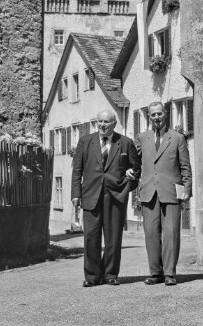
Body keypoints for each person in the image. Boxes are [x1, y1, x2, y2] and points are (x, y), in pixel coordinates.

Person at [72, 109, 141, 287]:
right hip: (91, 196)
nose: (102, 125)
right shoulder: (85, 142)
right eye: (100, 121)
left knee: (113, 238)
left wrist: (128, 184)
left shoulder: (125, 143)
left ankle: (110, 274)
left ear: (114, 124)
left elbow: (137, 169)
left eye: (106, 122)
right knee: (91, 238)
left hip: (115, 196)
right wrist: (75, 194)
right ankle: (92, 276)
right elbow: (77, 171)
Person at [129, 101, 192, 286]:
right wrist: (129, 172)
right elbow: (135, 163)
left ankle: (170, 273)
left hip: (171, 191)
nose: (156, 117)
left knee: (171, 233)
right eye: (153, 114)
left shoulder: (178, 138)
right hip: (149, 192)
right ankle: (155, 272)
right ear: (149, 116)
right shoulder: (142, 138)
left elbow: (185, 167)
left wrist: (187, 188)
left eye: (159, 114)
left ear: (165, 114)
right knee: (150, 233)